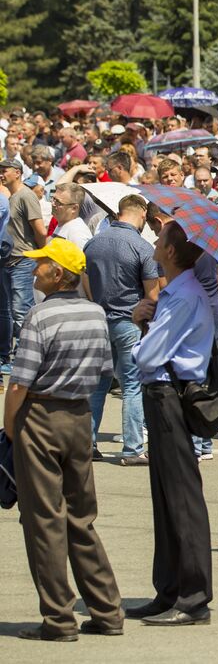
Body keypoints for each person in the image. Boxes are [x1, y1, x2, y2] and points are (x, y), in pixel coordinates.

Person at [3, 238, 124, 642]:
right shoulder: (95, 314)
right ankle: (107, 611)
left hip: (40, 415)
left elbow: (19, 383)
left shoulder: (39, 317)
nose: (35, 271)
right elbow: (106, 369)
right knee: (81, 517)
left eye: (42, 266)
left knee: (44, 521)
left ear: (58, 275)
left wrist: (8, 424)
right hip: (78, 416)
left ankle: (58, 619)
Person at [126, 220, 217, 625]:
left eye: (160, 239)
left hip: (171, 395)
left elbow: (146, 357)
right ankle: (170, 589)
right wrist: (144, 315)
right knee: (165, 499)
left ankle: (193, 597)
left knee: (182, 499)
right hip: (162, 394)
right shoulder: (175, 292)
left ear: (172, 252)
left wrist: (141, 327)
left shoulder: (183, 296)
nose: (155, 243)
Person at [83, 193, 160, 463]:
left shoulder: (93, 243)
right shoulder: (142, 247)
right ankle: (133, 448)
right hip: (129, 321)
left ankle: (87, 444)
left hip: (100, 319)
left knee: (99, 386)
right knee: (132, 386)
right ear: (140, 213)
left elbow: (87, 284)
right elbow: (152, 296)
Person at [4, 156, 47, 370]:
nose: (2, 174)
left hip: (23, 259)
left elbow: (40, 230)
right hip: (8, 261)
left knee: (22, 311)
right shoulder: (10, 196)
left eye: (5, 170)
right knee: (10, 310)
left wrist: (42, 254)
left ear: (18, 172)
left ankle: (25, 358)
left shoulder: (26, 196)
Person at [50, 183, 93, 249]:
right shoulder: (64, 224)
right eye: (53, 199)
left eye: (58, 202)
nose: (53, 204)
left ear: (74, 208)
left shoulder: (78, 234)